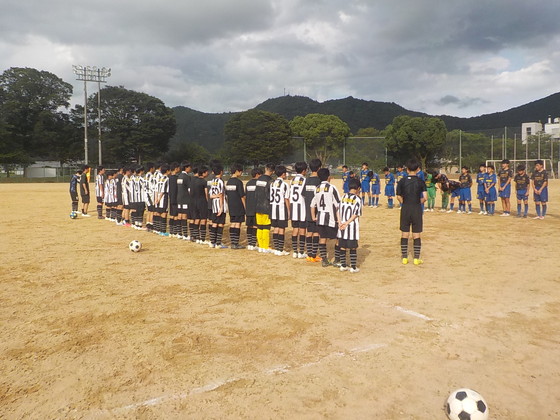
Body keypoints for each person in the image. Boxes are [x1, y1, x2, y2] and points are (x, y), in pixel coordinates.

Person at [396, 159, 427, 265]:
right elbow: (425, 197)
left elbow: (398, 196)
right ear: (418, 169)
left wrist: (404, 203)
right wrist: (417, 202)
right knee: (416, 234)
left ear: (407, 169)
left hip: (405, 208)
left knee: (404, 233)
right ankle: (416, 259)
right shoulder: (421, 181)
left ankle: (404, 258)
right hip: (416, 209)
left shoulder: (402, 181)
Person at [310, 168, 341, 267]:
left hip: (320, 218)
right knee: (338, 238)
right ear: (329, 177)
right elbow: (338, 204)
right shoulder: (332, 188)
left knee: (322, 238)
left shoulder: (317, 188)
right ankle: (337, 259)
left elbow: (312, 204)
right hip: (331, 218)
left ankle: (324, 260)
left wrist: (313, 217)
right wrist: (339, 219)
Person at [338, 177, 362, 273]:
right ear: (358, 188)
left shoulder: (343, 197)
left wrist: (340, 222)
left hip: (341, 226)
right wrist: (347, 223)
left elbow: (337, 210)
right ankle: (353, 267)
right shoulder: (358, 199)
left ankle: (343, 265)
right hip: (351, 226)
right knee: (353, 247)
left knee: (342, 246)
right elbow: (356, 214)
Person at [304, 159, 322, 262]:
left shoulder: (307, 180)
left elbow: (304, 194)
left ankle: (309, 254)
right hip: (316, 211)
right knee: (316, 233)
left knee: (309, 232)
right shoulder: (319, 181)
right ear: (319, 168)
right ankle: (314, 255)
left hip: (307, 210)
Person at [270, 165, 291, 256]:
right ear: (283, 174)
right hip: (281, 209)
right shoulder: (285, 185)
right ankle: (280, 249)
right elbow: (286, 199)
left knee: (276, 228)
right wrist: (289, 211)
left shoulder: (272, 183)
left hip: (273, 209)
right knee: (281, 229)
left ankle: (276, 248)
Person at [290, 161, 308, 258]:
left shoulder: (292, 180)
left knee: (295, 229)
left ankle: (295, 251)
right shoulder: (305, 180)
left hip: (293, 207)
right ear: (304, 171)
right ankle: (301, 251)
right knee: (302, 230)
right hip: (302, 208)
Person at [255, 163, 274, 252]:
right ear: (273, 171)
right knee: (266, 227)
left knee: (259, 227)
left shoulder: (258, 179)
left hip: (258, 205)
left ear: (265, 168)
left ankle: (260, 245)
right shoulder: (271, 181)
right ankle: (265, 246)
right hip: (266, 206)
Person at [225, 163, 246, 249]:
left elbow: (226, 194)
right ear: (237, 171)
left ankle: (233, 242)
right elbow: (242, 196)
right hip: (238, 206)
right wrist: (245, 207)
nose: (241, 173)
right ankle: (236, 243)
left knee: (232, 223)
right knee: (238, 224)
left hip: (231, 205)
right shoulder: (238, 182)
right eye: (240, 171)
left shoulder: (228, 182)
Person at [208, 163, 227, 248]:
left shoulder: (213, 181)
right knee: (220, 224)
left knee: (214, 223)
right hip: (220, 205)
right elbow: (221, 195)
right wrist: (221, 207)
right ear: (221, 172)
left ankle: (212, 242)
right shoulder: (220, 181)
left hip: (214, 205)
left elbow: (210, 196)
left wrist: (216, 196)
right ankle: (218, 243)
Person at [190, 166, 210, 243]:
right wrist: (208, 202)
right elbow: (206, 193)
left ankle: (195, 236)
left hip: (194, 202)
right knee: (203, 219)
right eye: (207, 172)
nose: (207, 173)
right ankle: (202, 238)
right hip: (202, 202)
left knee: (196, 219)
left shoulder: (193, 181)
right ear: (204, 173)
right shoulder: (204, 182)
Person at [245, 168, 262, 250]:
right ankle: (254, 243)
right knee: (255, 226)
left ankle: (250, 243)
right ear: (257, 174)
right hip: (256, 207)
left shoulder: (248, 183)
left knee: (249, 225)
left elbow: (246, 195)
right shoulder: (259, 184)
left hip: (249, 207)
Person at [176, 162, 192, 239]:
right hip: (185, 198)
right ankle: (185, 234)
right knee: (184, 215)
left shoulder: (179, 176)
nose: (190, 168)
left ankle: (179, 233)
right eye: (189, 167)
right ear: (186, 168)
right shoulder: (186, 177)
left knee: (180, 214)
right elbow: (189, 189)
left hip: (179, 198)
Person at [154, 164, 170, 235]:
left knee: (158, 213)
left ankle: (157, 229)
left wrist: (156, 199)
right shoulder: (167, 179)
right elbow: (163, 191)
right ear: (167, 171)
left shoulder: (159, 179)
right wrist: (159, 198)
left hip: (157, 197)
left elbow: (156, 190)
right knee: (164, 213)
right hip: (163, 198)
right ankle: (163, 231)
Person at [167, 162, 181, 236]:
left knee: (172, 215)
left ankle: (171, 231)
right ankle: (175, 231)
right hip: (176, 199)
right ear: (176, 169)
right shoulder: (176, 178)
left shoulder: (169, 178)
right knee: (176, 215)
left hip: (171, 198)